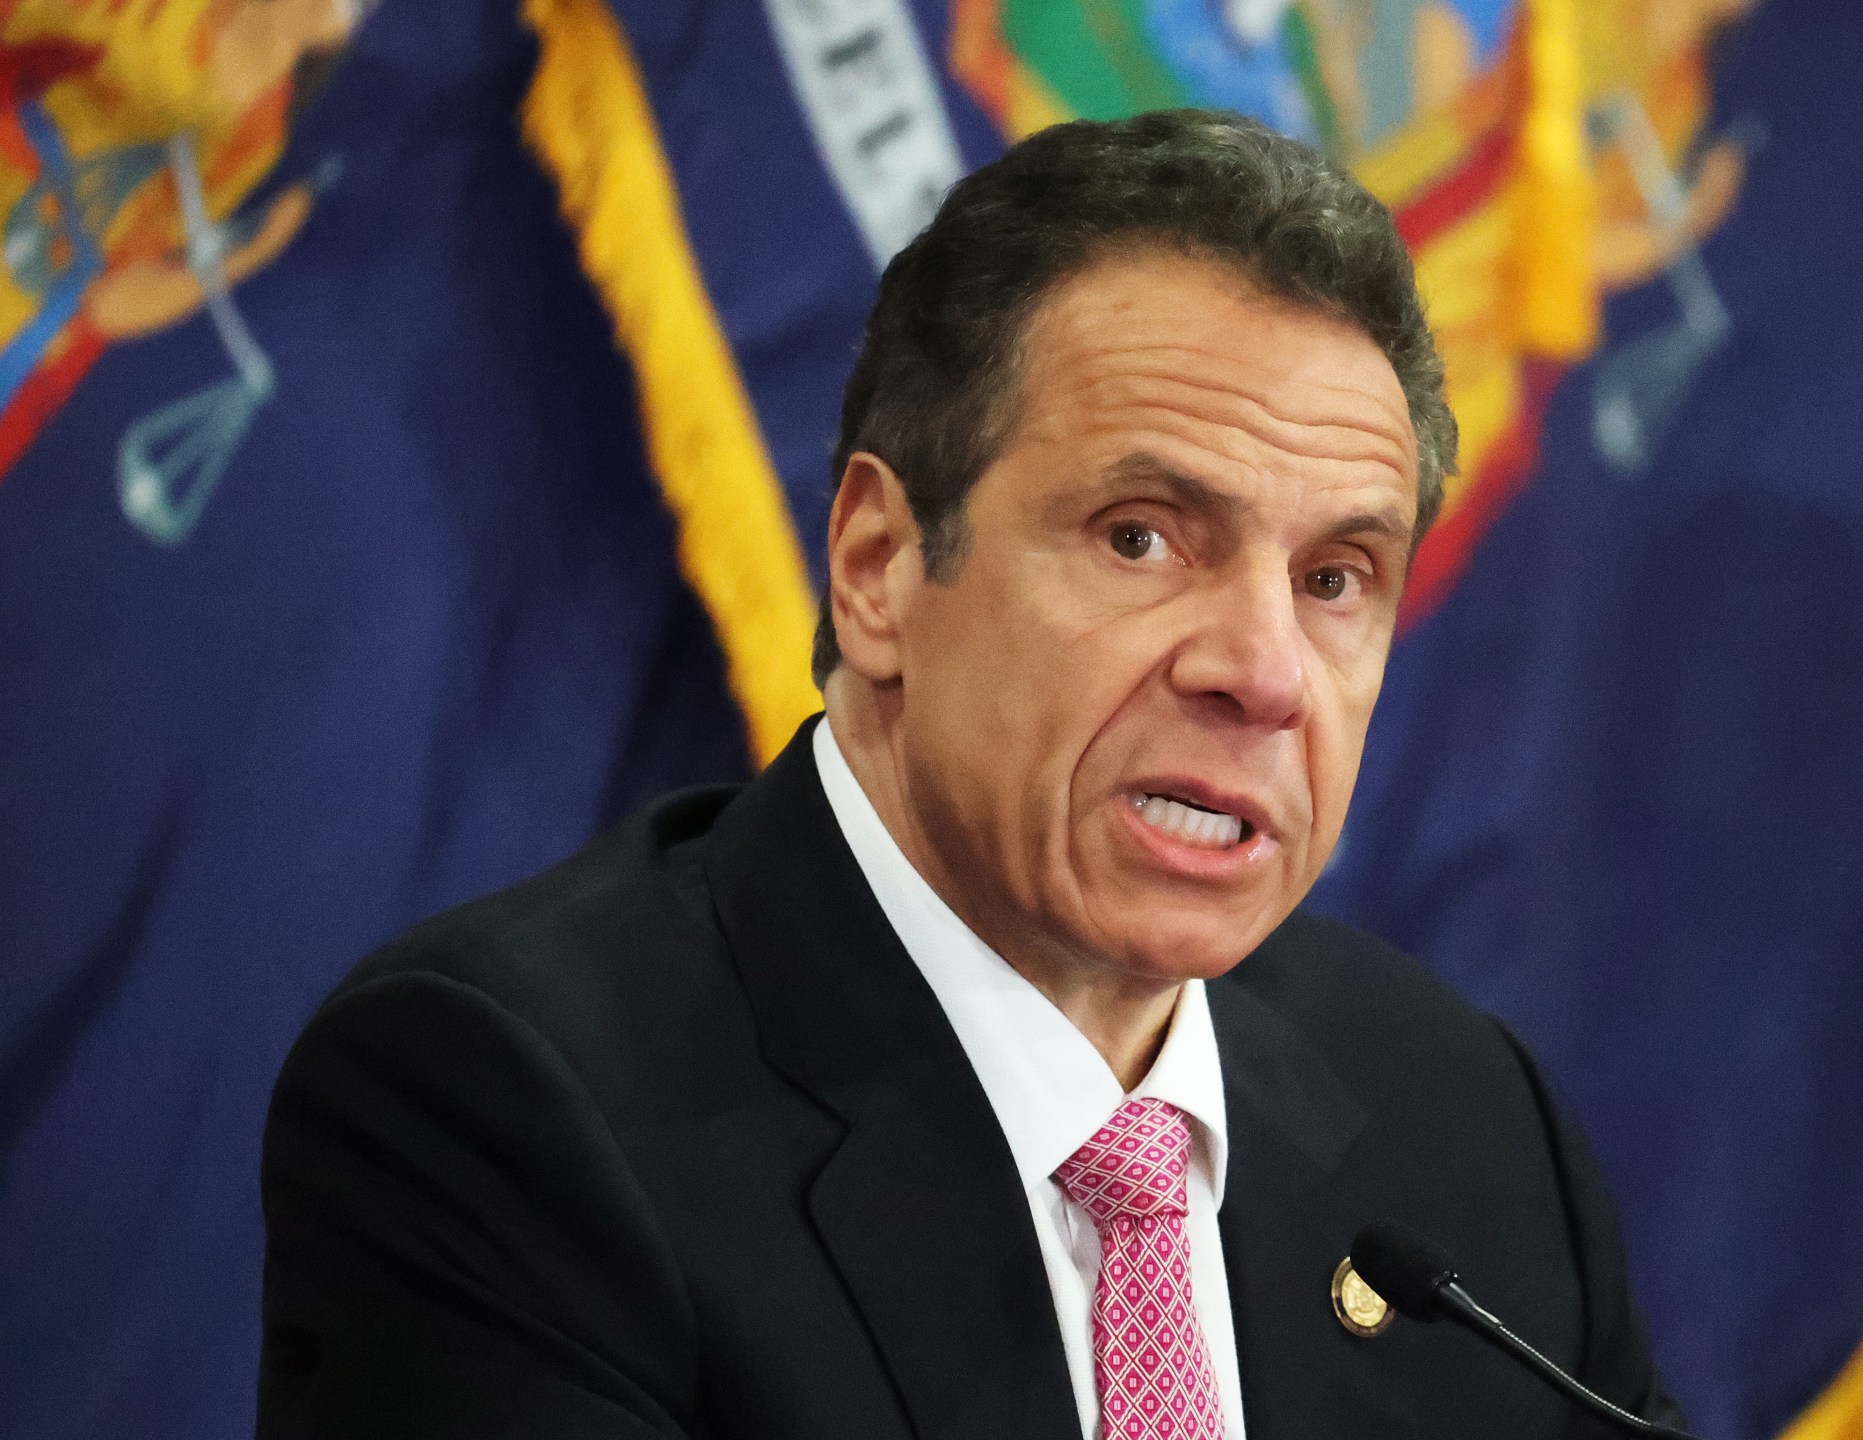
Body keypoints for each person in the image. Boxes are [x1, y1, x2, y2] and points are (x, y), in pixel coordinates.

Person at [257, 110, 1682, 1440]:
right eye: (1143, 537)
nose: (1262, 671)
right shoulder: (511, 1110)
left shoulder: (1470, 1131)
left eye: (1335, 577)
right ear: (879, 566)